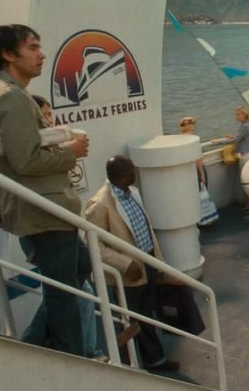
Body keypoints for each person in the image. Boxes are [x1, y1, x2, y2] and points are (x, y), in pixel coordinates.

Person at [0, 24, 91, 356]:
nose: (42, 55)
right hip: (44, 211)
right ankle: (72, 359)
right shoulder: (11, 97)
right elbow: (26, 160)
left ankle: (37, 340)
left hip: (40, 209)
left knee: (79, 268)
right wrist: (71, 152)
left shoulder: (6, 94)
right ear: (8, 54)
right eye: (33, 47)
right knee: (64, 294)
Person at [85, 155, 180, 372]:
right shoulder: (100, 204)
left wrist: (159, 263)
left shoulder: (133, 193)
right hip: (128, 274)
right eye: (130, 171)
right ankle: (126, 368)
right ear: (120, 176)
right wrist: (126, 264)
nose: (134, 173)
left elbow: (146, 230)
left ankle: (154, 360)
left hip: (148, 264)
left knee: (147, 315)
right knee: (126, 322)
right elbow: (93, 245)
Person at [212, 106, 249, 211]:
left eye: (238, 114)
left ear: (244, 115)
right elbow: (240, 138)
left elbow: (234, 140)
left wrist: (218, 141)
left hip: (246, 156)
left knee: (246, 182)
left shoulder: (245, 126)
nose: (236, 117)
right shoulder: (247, 124)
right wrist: (232, 137)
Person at [179, 116, 208, 188]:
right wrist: (202, 174)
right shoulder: (194, 139)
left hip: (187, 170)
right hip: (196, 169)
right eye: (193, 124)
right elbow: (198, 159)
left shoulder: (179, 138)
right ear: (191, 126)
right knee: (201, 189)